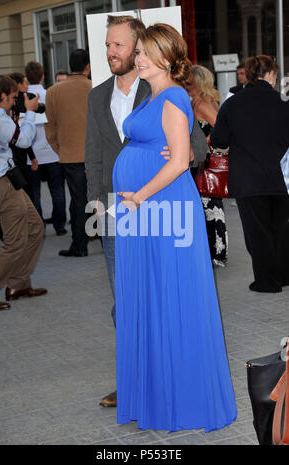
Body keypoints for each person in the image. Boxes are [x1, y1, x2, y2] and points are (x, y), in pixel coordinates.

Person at [113, 23, 237, 432]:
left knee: (170, 293)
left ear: (167, 58)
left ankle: (178, 398)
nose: (140, 58)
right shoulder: (152, 96)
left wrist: (138, 195)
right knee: (147, 294)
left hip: (159, 209)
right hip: (145, 212)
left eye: (147, 53)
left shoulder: (173, 96)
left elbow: (180, 160)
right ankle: (152, 393)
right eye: (140, 52)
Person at [85, 15, 150, 408]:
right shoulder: (96, 96)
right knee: (123, 299)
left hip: (158, 211)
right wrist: (94, 198)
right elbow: (92, 152)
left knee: (154, 295)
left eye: (118, 45)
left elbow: (193, 147)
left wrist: (170, 158)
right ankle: (131, 381)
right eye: (107, 45)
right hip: (112, 212)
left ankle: (160, 375)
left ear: (137, 47)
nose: (110, 52)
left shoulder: (158, 88)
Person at [211, 54, 289, 293]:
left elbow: (218, 140)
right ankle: (283, 275)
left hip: (247, 178)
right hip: (281, 176)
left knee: (257, 232)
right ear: (269, 74)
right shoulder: (283, 102)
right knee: (282, 229)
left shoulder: (233, 103)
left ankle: (266, 281)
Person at [0, 75, 47, 311]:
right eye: (14, 97)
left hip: (7, 179)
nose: (16, 102)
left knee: (35, 228)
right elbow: (23, 140)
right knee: (15, 241)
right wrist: (31, 113)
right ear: (2, 96)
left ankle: (19, 283)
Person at [45, 49, 92, 257]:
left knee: (78, 200)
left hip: (70, 156)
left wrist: (60, 149)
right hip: (95, 154)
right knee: (95, 198)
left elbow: (50, 128)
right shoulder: (96, 87)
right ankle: (96, 237)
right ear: (88, 67)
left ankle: (80, 246)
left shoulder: (53, 92)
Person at [187, 65, 228, 267]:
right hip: (198, 161)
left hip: (205, 163)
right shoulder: (194, 102)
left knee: (209, 205)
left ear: (196, 81)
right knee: (206, 205)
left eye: (188, 79)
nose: (184, 81)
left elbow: (220, 127)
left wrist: (202, 146)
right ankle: (212, 251)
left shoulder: (203, 103)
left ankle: (216, 253)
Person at [25, 61, 67, 236]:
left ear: (26, 78)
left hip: (31, 155)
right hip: (51, 152)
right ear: (43, 77)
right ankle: (60, 226)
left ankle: (38, 228)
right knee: (57, 191)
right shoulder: (51, 94)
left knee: (35, 194)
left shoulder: (24, 98)